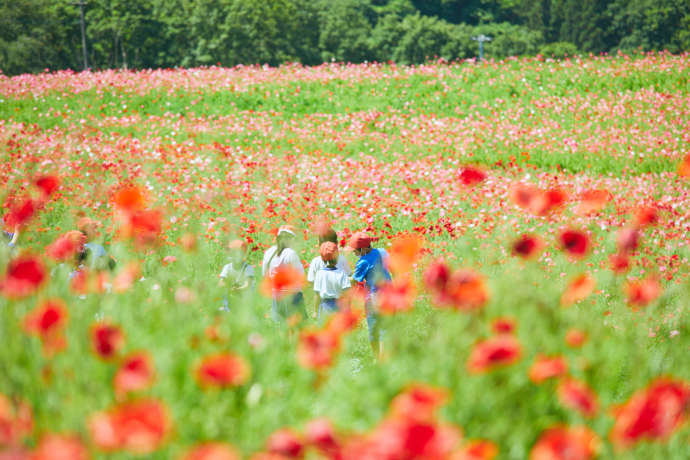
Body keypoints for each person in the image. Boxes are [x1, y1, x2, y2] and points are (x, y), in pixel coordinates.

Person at [349, 231, 391, 359]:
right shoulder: (383, 252)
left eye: (355, 250)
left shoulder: (363, 262)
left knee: (374, 327)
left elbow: (354, 281)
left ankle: (377, 358)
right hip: (389, 293)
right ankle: (384, 359)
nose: (354, 253)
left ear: (363, 249)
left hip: (375, 297)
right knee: (385, 328)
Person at [262, 225, 306, 321]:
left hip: (276, 295)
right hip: (292, 296)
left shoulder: (269, 252)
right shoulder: (290, 253)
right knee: (296, 326)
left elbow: (265, 275)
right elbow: (300, 276)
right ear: (290, 239)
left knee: (280, 326)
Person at [307, 227, 351, 316]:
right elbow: (348, 277)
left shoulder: (315, 261)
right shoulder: (341, 259)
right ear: (336, 243)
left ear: (319, 244)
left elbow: (311, 281)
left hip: (323, 302)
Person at [312, 242, 351, 320]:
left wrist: (315, 311)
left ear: (322, 259)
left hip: (325, 306)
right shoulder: (342, 273)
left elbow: (317, 295)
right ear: (337, 258)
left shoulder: (320, 274)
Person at [219, 239, 255, 311]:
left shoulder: (247, 268)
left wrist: (237, 289)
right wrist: (228, 287)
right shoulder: (227, 267)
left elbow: (247, 284)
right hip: (231, 298)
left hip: (244, 298)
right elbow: (221, 283)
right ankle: (226, 308)